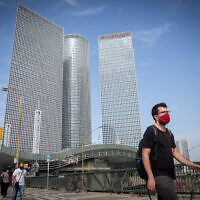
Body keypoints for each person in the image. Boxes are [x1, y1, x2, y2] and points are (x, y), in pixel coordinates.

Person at [142, 103, 200, 200]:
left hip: (170, 174)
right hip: (159, 175)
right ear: (156, 117)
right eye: (163, 112)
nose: (167, 114)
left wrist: (192, 165)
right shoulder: (151, 131)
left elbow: (175, 153)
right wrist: (150, 177)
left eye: (167, 112)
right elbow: (145, 155)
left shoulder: (169, 133)